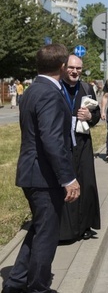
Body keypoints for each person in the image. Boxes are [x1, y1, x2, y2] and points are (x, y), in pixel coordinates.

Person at [3, 44, 80, 293]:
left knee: (39, 228)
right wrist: (68, 178)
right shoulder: (48, 92)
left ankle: (16, 282)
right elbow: (51, 140)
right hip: (43, 176)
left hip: (33, 172)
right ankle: (38, 287)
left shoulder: (34, 89)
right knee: (47, 234)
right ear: (61, 67)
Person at [58, 54, 101, 242]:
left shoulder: (86, 88)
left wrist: (90, 118)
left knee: (86, 182)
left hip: (83, 143)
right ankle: (65, 231)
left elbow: (97, 114)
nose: (75, 71)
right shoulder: (57, 88)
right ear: (64, 67)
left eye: (78, 69)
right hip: (62, 143)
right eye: (71, 68)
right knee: (65, 184)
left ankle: (84, 226)